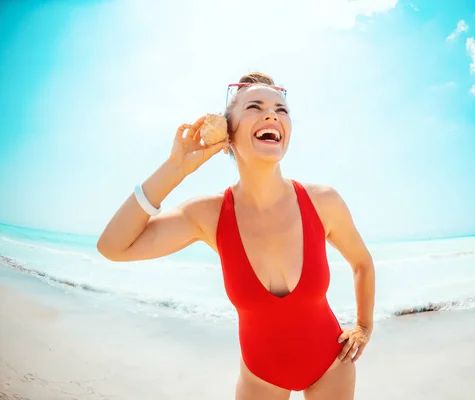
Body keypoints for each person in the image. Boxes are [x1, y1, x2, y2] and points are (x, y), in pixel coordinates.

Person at [96, 72, 376, 400]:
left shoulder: (323, 201)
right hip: (261, 377)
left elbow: (362, 263)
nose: (271, 114)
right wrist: (176, 168)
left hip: (332, 365)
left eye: (281, 110)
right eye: (254, 107)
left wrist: (364, 326)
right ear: (228, 132)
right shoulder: (209, 215)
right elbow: (113, 247)